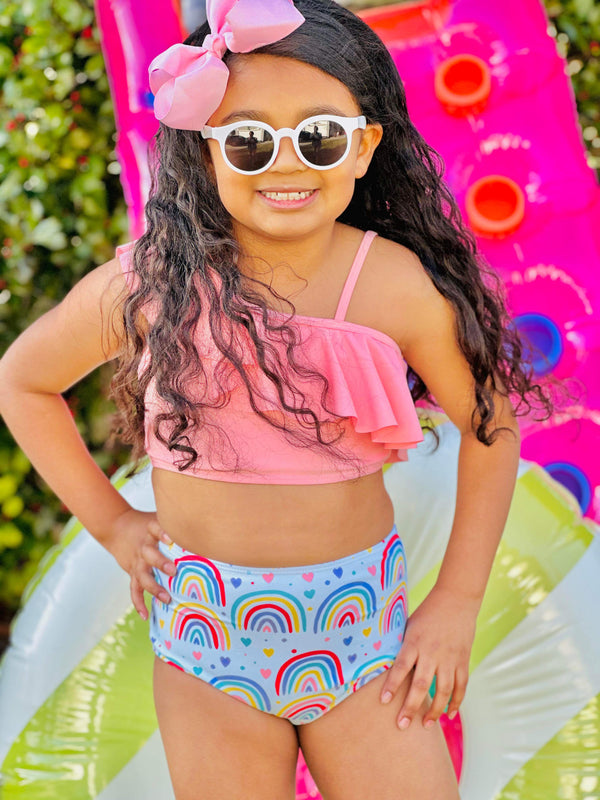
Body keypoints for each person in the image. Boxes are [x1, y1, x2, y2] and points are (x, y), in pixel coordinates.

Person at [0, 1, 557, 798]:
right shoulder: (153, 283)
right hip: (206, 637)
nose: (285, 166)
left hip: (360, 634)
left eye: (318, 137)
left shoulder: (391, 285)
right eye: (250, 142)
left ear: (363, 146)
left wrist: (457, 602)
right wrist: (114, 524)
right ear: (206, 151)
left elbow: (488, 424)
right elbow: (22, 380)